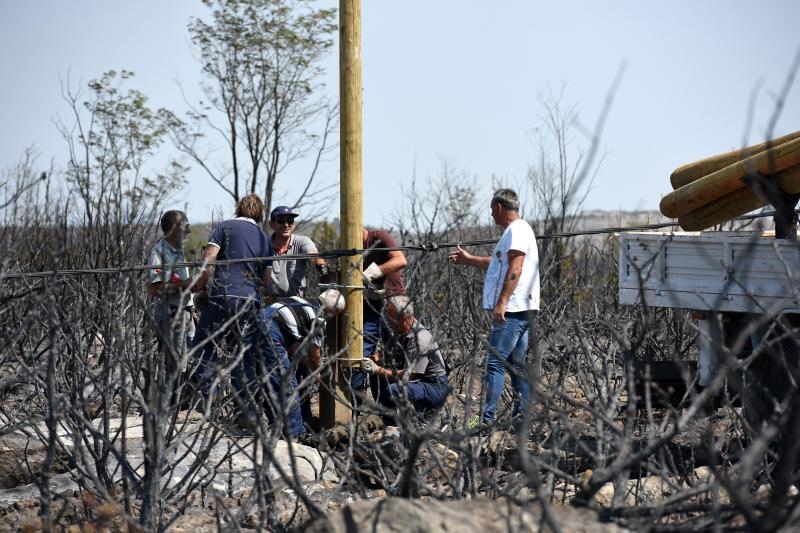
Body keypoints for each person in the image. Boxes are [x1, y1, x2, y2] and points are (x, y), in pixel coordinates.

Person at [448, 188, 540, 430]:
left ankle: (485, 420)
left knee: (495, 363)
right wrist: (469, 260)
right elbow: (498, 263)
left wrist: (502, 302)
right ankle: (522, 419)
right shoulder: (513, 233)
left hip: (514, 309)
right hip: (520, 308)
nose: (491, 215)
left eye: (492, 210)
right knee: (515, 364)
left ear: (499, 208)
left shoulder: (518, 230)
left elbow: (516, 268)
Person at [191, 194, 272, 421]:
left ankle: (210, 399)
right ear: (260, 213)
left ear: (239, 209)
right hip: (250, 302)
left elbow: (210, 258)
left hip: (223, 296)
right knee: (243, 357)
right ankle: (244, 412)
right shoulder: (265, 239)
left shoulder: (224, 227)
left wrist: (201, 282)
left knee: (202, 346)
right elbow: (267, 281)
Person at [259, 289, 345, 434]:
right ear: (330, 310)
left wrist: (306, 362)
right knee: (288, 385)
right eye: (336, 314)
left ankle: (276, 424)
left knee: (270, 381)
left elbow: (292, 344)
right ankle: (296, 434)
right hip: (270, 330)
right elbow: (315, 354)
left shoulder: (298, 300)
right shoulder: (318, 316)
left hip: (258, 321)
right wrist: (317, 373)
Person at [361, 295, 448, 417]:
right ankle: (386, 418)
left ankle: (419, 416)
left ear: (404, 318)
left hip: (434, 386)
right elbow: (386, 352)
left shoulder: (420, 339)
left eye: (391, 318)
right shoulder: (400, 330)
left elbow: (408, 376)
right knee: (377, 376)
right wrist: (373, 360)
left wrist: (376, 369)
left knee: (395, 389)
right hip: (419, 382)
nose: (388, 321)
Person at [352, 227, 407, 406]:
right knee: (360, 357)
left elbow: (400, 260)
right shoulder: (350, 247)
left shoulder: (379, 237)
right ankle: (356, 411)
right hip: (368, 306)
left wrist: (372, 273)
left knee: (391, 358)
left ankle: (389, 414)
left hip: (393, 305)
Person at [147, 210, 196, 388]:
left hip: (185, 312)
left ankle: (183, 400)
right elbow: (154, 289)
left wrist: (191, 309)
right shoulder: (158, 253)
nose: (187, 232)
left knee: (188, 359)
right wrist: (185, 285)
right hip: (170, 314)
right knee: (173, 362)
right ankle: (170, 403)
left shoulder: (178, 251)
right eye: (185, 227)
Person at [265, 206, 331, 298]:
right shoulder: (264, 246)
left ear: (294, 224)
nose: (286, 225)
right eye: (281, 221)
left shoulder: (302, 241)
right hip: (270, 303)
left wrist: (322, 268)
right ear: (271, 224)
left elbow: (314, 255)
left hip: (296, 303)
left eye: (290, 220)